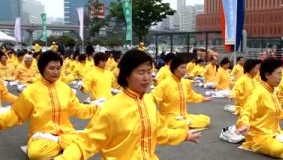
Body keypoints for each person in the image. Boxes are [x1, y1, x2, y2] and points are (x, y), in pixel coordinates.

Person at [54, 50, 201, 160]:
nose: (147, 78)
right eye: (141, 72)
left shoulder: (148, 102)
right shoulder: (110, 109)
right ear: (126, 75)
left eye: (149, 72)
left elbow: (160, 133)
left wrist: (184, 134)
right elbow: (86, 143)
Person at [0, 51, 98, 159]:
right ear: (42, 69)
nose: (56, 72)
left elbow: (77, 108)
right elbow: (16, 114)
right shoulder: (31, 91)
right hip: (42, 136)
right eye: (51, 68)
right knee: (35, 154)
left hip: (65, 132)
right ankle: (69, 147)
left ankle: (61, 143)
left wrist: (97, 108)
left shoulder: (65, 88)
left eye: (58, 68)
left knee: (91, 144)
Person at [236, 58, 283, 159]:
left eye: (281, 75)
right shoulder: (258, 93)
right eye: (278, 74)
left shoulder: (271, 91)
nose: (281, 78)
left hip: (274, 133)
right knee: (279, 148)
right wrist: (244, 124)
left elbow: (277, 109)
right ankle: (262, 144)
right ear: (267, 75)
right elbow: (246, 111)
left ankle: (280, 143)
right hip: (260, 136)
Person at [151, 55, 211, 129]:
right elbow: (151, 99)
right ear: (174, 69)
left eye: (185, 68)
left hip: (183, 116)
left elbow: (191, 95)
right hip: (169, 117)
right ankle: (185, 123)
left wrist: (203, 98)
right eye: (181, 68)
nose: (184, 70)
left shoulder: (184, 83)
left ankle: (187, 122)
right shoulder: (165, 84)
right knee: (181, 124)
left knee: (206, 119)